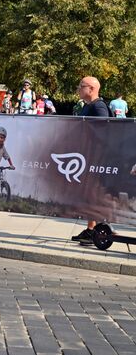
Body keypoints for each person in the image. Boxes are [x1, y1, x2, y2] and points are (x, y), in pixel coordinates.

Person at [71, 76, 110, 245]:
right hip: (87, 156)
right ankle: (92, 228)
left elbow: (105, 130)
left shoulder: (99, 106)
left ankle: (93, 230)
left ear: (92, 89)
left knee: (92, 193)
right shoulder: (88, 106)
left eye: (81, 86)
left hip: (95, 158)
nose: (79, 89)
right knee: (89, 194)